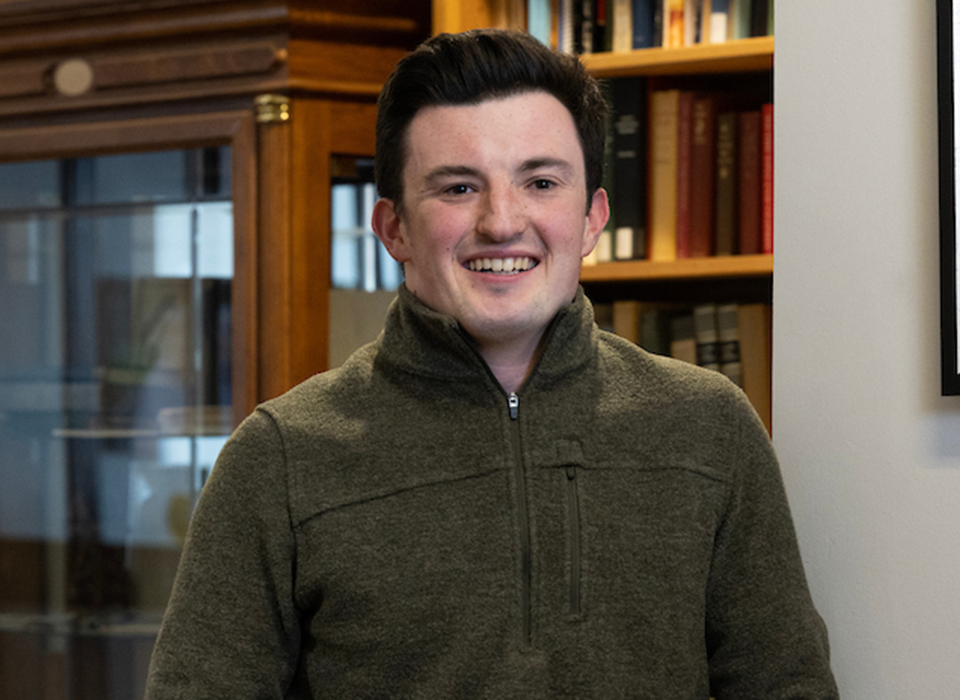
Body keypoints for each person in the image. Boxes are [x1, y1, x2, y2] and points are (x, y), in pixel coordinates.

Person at [145, 28, 836, 699]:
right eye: (458, 188)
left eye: (540, 182)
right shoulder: (280, 458)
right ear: (393, 228)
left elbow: (786, 687)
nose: (502, 222)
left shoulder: (709, 427)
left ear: (592, 217)